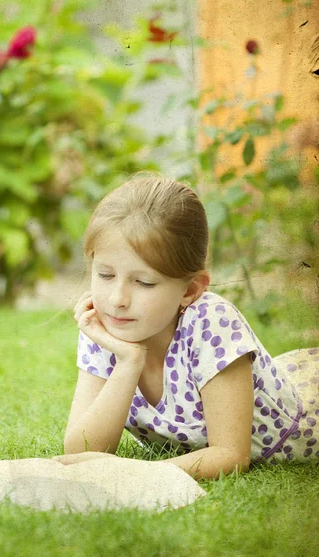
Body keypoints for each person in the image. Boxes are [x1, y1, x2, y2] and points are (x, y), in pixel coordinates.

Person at [61, 171, 319, 480]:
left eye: (143, 282)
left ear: (190, 289)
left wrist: (132, 474)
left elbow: (231, 456)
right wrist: (129, 362)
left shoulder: (210, 322)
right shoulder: (106, 324)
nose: (117, 299)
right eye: (105, 275)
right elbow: (79, 452)